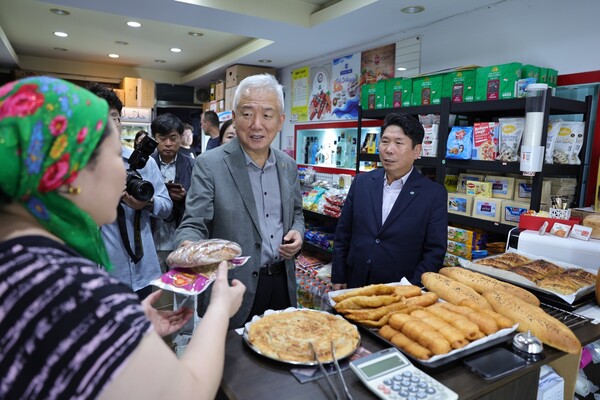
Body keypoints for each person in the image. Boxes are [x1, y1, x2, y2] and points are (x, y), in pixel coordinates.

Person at [0, 76, 245, 400]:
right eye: (116, 155)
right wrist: (219, 308)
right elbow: (188, 392)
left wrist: (122, 329)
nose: (126, 174)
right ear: (71, 171)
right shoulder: (73, 289)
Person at [175, 74, 304, 328]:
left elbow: (297, 212)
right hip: (233, 287)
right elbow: (193, 222)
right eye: (247, 114)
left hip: (281, 283)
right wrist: (189, 248)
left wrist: (298, 233)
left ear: (280, 121)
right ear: (234, 117)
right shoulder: (210, 164)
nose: (256, 124)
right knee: (231, 365)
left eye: (267, 115)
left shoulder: (288, 166)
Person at [332, 113, 447, 289]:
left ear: (417, 151)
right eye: (385, 141)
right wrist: (339, 276)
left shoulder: (433, 194)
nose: (388, 149)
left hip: (399, 292)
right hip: (355, 284)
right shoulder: (362, 183)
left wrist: (411, 287)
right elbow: (343, 234)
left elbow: (435, 251)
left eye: (398, 143)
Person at [89, 83, 172, 300]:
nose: (110, 123)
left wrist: (147, 203)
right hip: (103, 275)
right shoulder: (81, 167)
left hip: (146, 272)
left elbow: (166, 207)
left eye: (114, 117)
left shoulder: (143, 162)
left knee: (152, 331)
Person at [150, 113, 194, 271]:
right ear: (154, 137)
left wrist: (185, 197)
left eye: (173, 138)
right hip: (151, 238)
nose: (168, 143)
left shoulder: (192, 165)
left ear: (181, 138)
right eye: (162, 138)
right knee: (156, 290)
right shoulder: (146, 164)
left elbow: (200, 201)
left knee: (182, 286)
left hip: (181, 239)